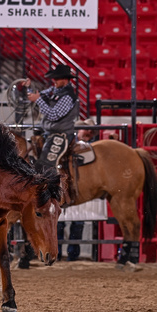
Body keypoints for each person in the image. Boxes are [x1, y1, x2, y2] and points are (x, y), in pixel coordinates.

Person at [25, 64, 80, 173]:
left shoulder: (68, 97)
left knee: (46, 165)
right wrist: (29, 87)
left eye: (57, 78)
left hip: (61, 135)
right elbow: (38, 95)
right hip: (50, 133)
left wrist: (38, 100)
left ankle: (53, 188)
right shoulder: (54, 90)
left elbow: (53, 115)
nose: (54, 80)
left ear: (65, 79)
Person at [57, 118, 97, 261]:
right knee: (60, 223)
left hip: (79, 187)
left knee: (77, 223)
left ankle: (72, 254)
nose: (89, 133)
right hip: (72, 186)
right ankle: (59, 253)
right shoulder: (69, 144)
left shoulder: (89, 149)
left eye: (91, 132)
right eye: (87, 130)